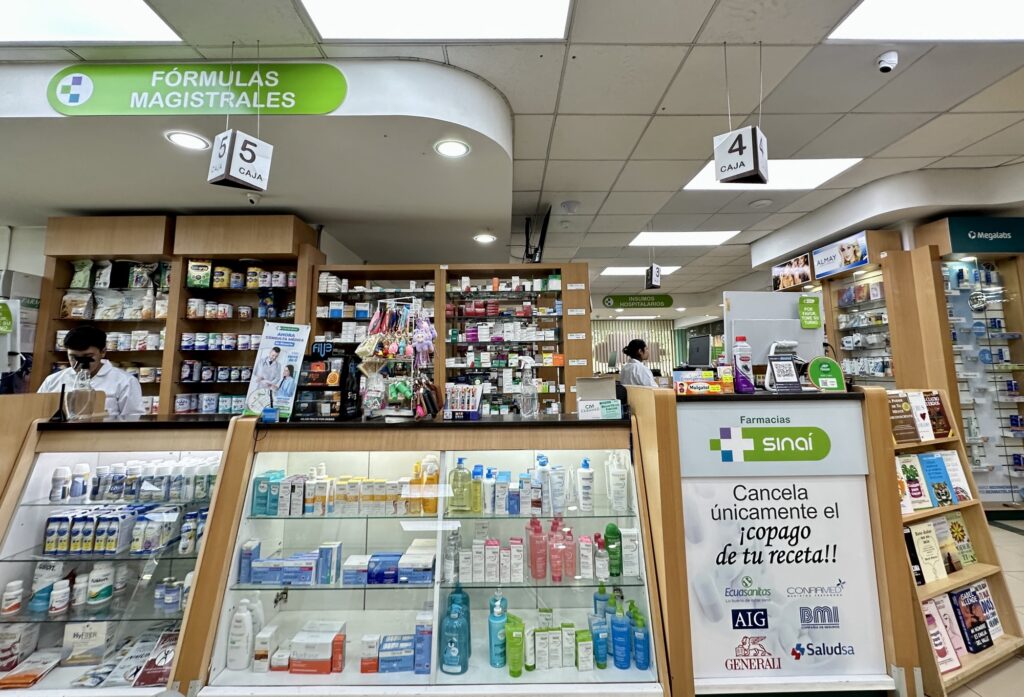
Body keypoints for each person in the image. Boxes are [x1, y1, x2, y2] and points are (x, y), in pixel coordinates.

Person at [38, 325, 145, 417]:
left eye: (88, 356)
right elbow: (37, 412)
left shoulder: (125, 382)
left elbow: (133, 420)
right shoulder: (52, 380)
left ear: (103, 352)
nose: (80, 363)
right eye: (73, 357)